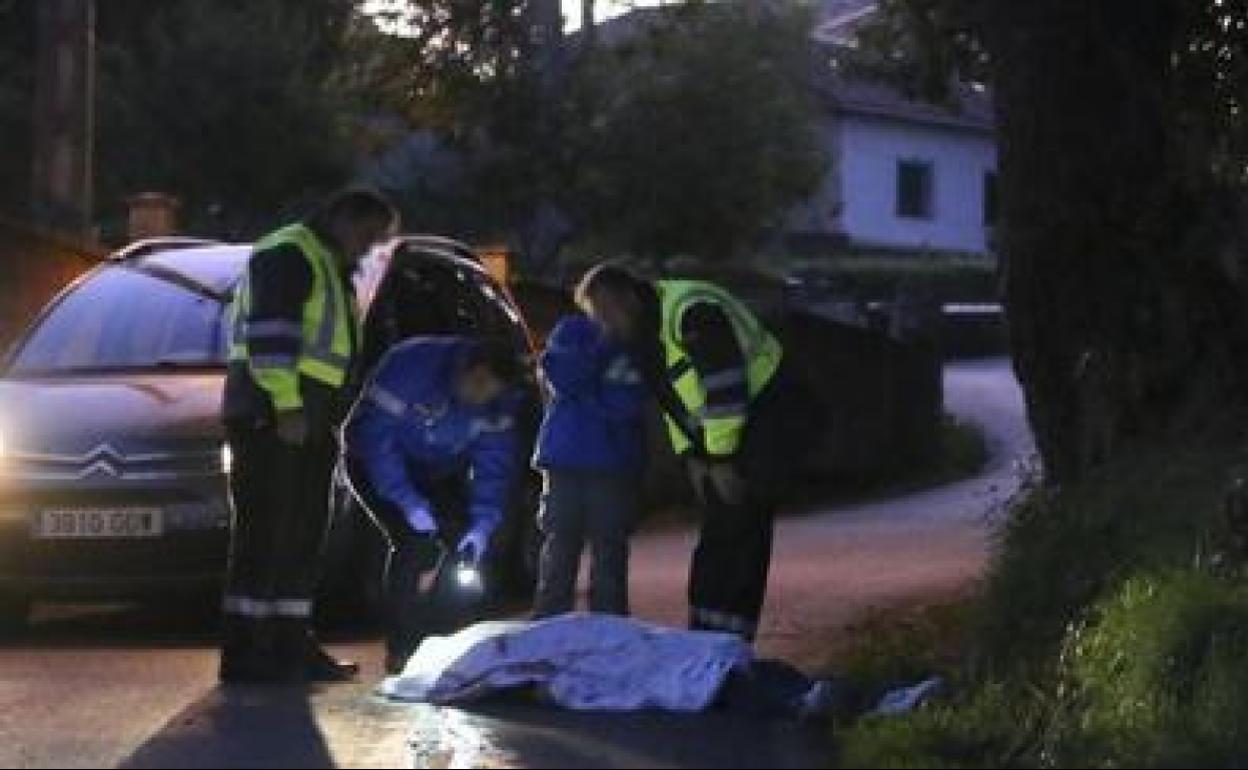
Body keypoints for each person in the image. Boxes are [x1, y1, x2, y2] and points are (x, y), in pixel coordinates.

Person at [220, 187, 398, 684]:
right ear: (343, 218)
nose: (367, 249)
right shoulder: (290, 251)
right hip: (276, 414)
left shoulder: (325, 261)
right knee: (268, 533)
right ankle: (248, 653)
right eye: (366, 236)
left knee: (301, 533)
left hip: (309, 417)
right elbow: (272, 335)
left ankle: (290, 644)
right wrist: (288, 405)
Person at [575, 264, 807, 642]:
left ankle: (729, 646)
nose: (605, 327)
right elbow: (675, 406)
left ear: (628, 298)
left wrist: (720, 460)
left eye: (606, 314)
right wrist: (693, 457)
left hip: (773, 417)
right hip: (731, 431)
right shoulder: (644, 336)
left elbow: (725, 390)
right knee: (720, 531)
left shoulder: (693, 310)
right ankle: (706, 636)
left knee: (741, 526)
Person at [343, 336, 524, 675]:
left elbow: (493, 469)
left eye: (489, 391)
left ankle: (444, 636)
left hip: (438, 469)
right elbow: (377, 440)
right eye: (478, 383)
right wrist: (407, 503)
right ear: (467, 367)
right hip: (374, 462)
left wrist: (482, 526)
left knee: (465, 551)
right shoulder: (411, 366)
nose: (478, 396)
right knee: (413, 546)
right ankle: (403, 651)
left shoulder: (498, 406)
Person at [530, 314, 647, 618]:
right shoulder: (573, 331)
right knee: (560, 547)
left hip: (607, 462)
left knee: (608, 549)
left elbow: (627, 405)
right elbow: (565, 379)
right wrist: (600, 352)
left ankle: (608, 624)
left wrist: (583, 395)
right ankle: (550, 625)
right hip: (569, 461)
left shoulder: (626, 348)